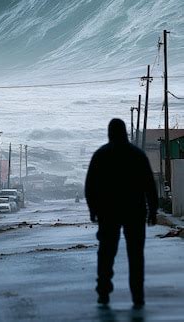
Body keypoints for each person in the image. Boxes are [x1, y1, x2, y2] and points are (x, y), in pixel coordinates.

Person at [85, 118, 158, 309]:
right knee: (136, 256)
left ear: (110, 133)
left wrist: (93, 209)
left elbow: (90, 185)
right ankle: (138, 296)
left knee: (106, 254)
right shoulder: (137, 155)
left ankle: (103, 293)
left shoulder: (101, 155)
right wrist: (153, 210)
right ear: (125, 132)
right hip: (135, 211)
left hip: (108, 212)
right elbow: (149, 185)